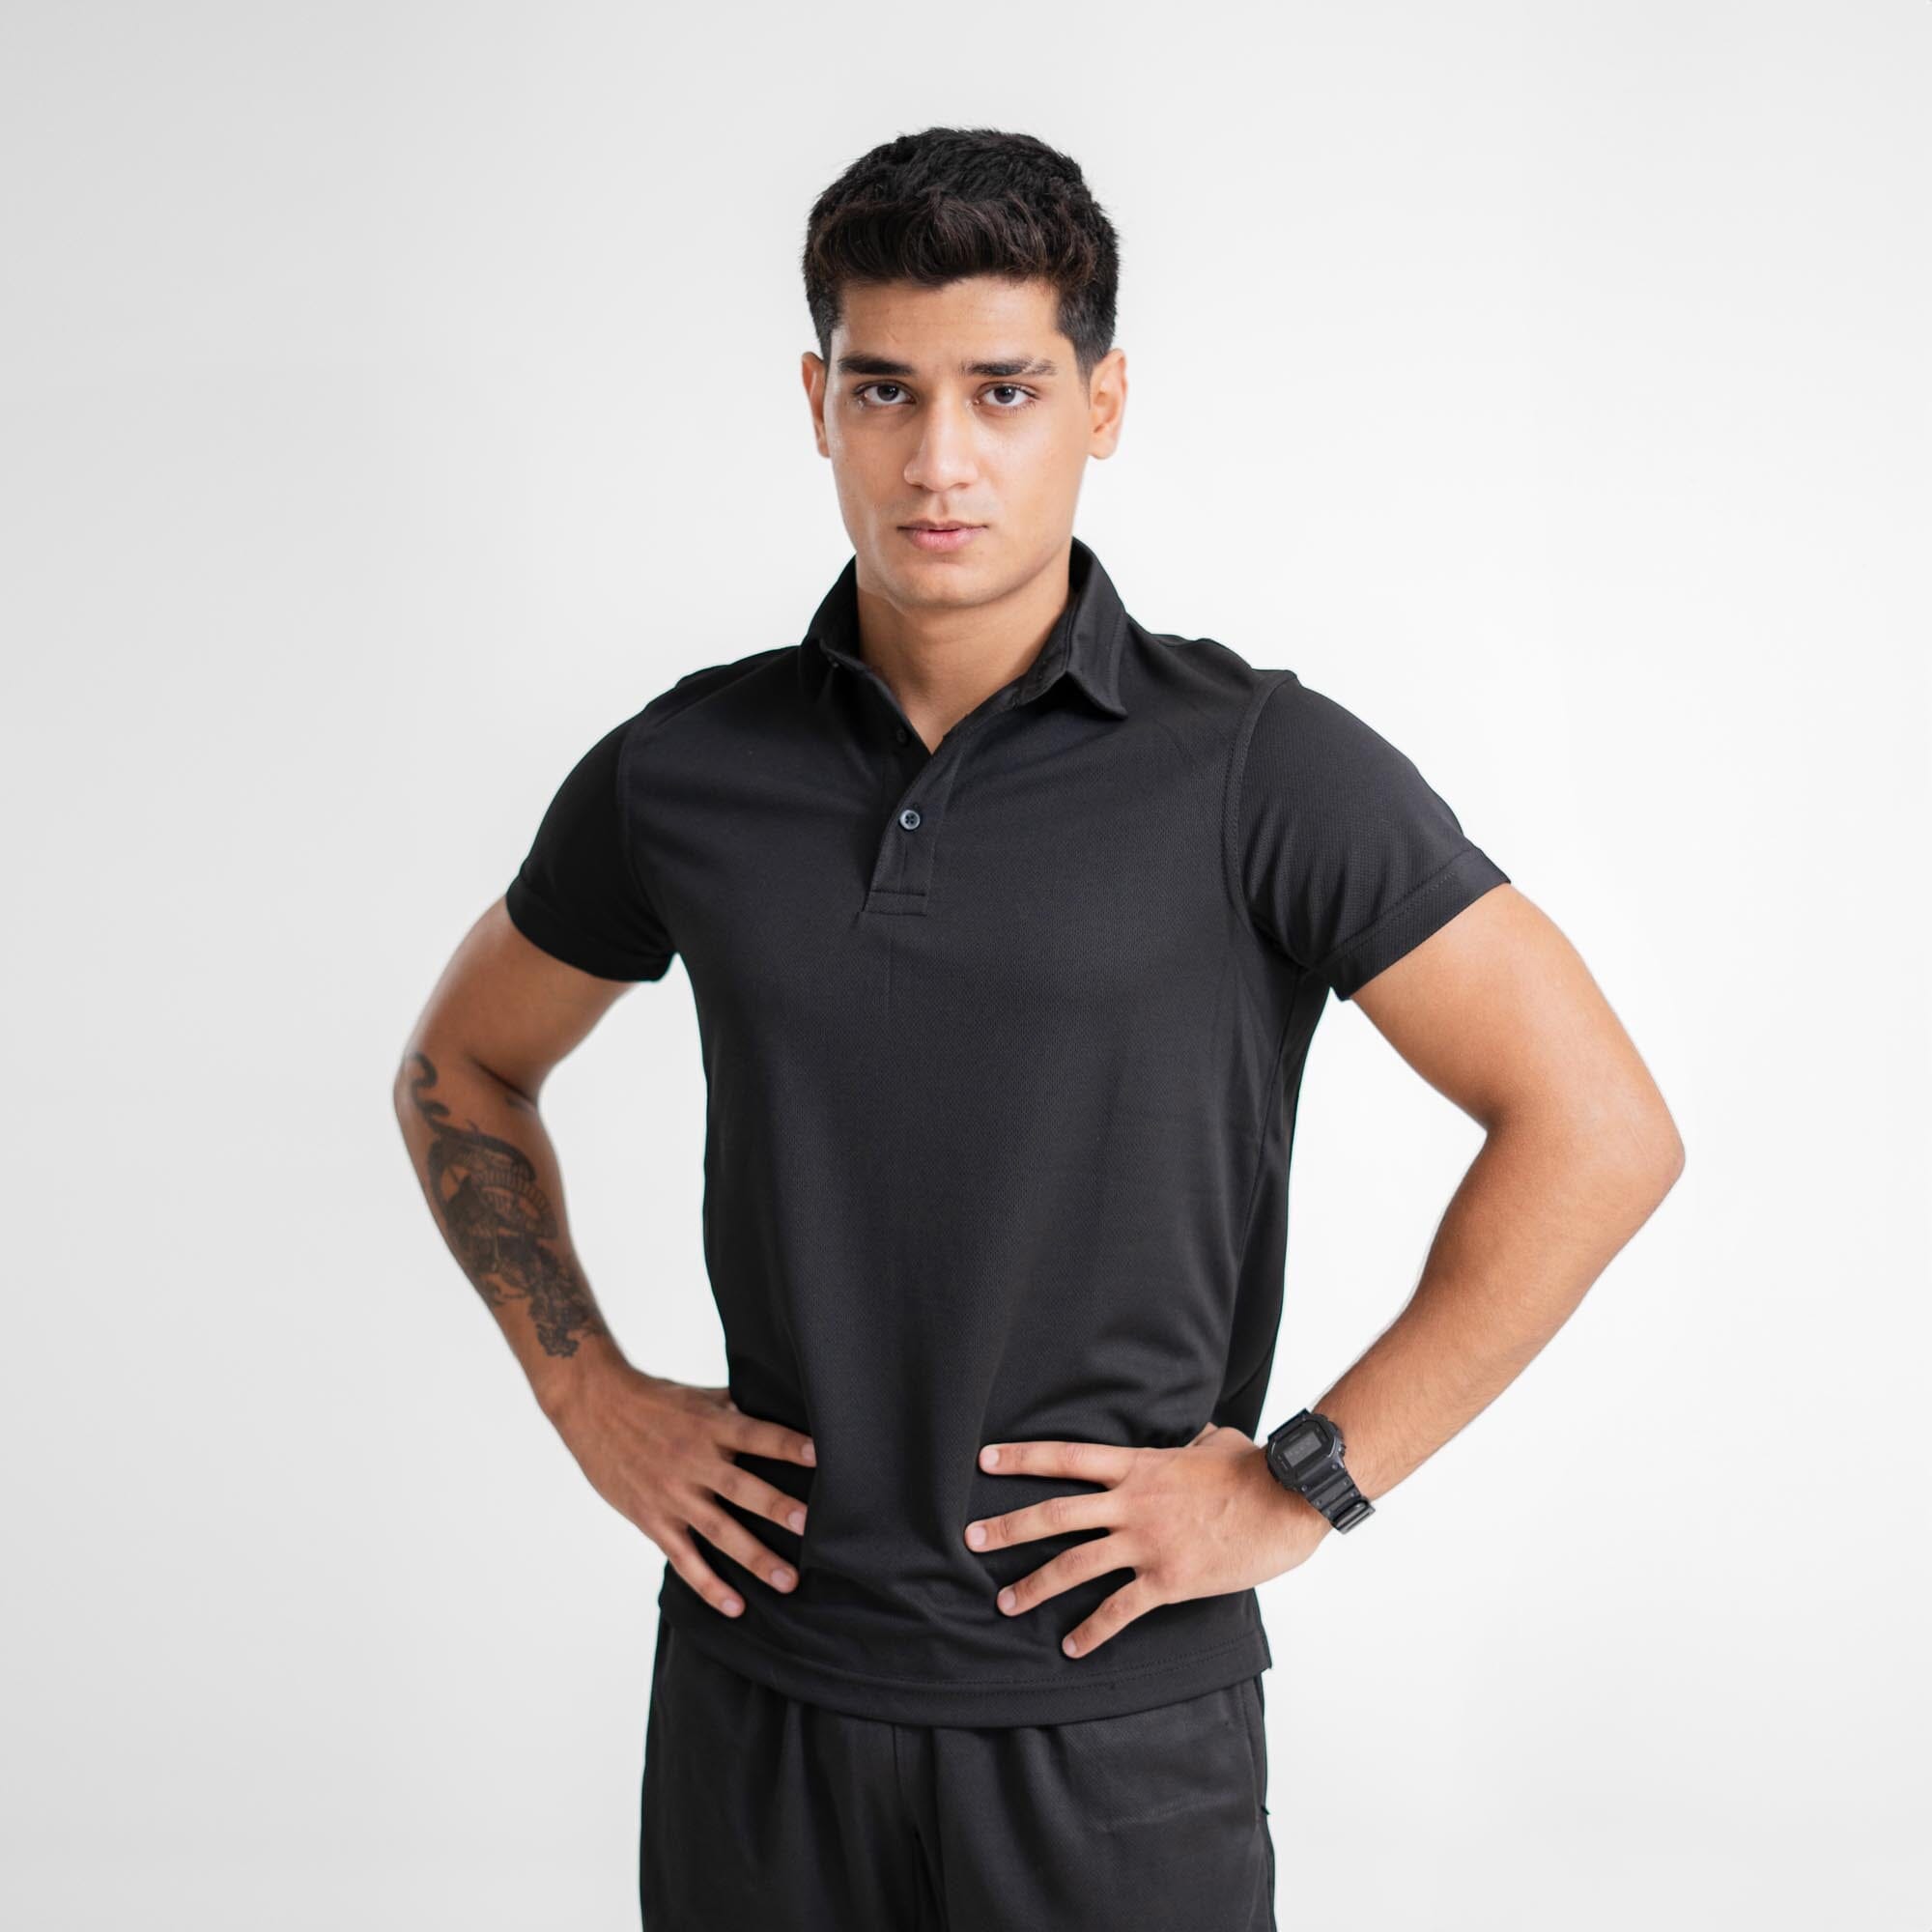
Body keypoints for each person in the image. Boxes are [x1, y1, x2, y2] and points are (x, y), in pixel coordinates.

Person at [391, 126, 1685, 1931]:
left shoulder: (1261, 769)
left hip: (1113, 1724)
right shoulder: (684, 769)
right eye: (886, 391)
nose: (940, 459)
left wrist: (1304, 1484)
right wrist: (583, 1390)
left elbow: (1601, 1128)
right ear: (818, 405)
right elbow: (459, 1067)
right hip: (759, 1700)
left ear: (1103, 403)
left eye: (1004, 391)